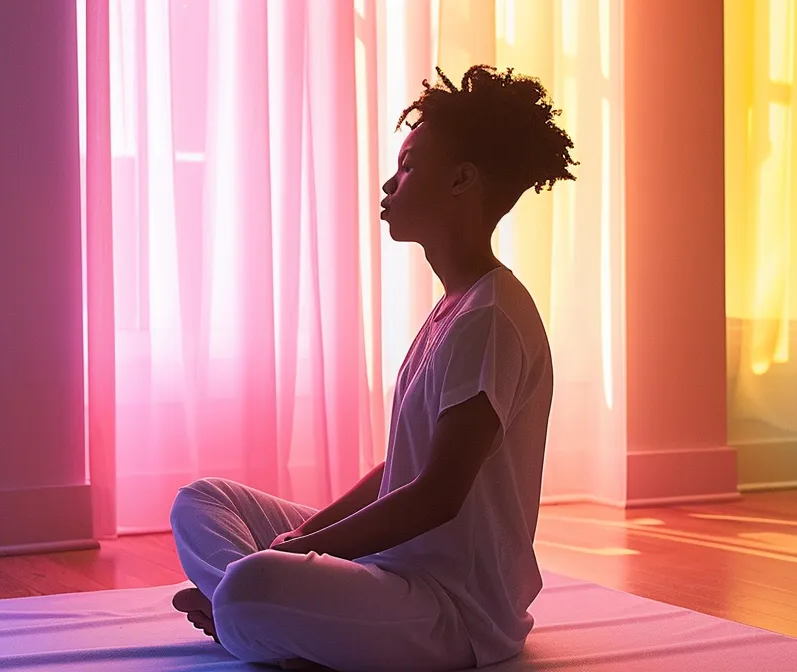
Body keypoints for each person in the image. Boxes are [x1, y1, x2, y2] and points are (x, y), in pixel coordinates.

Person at [167, 64, 575, 672]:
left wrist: (305, 551)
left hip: (450, 609)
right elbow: (401, 470)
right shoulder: (455, 307)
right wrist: (306, 545)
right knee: (201, 502)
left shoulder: (489, 319)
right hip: (391, 567)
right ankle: (255, 615)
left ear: (463, 179)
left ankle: (247, 613)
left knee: (258, 585)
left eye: (410, 166)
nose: (390, 181)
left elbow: (438, 494)